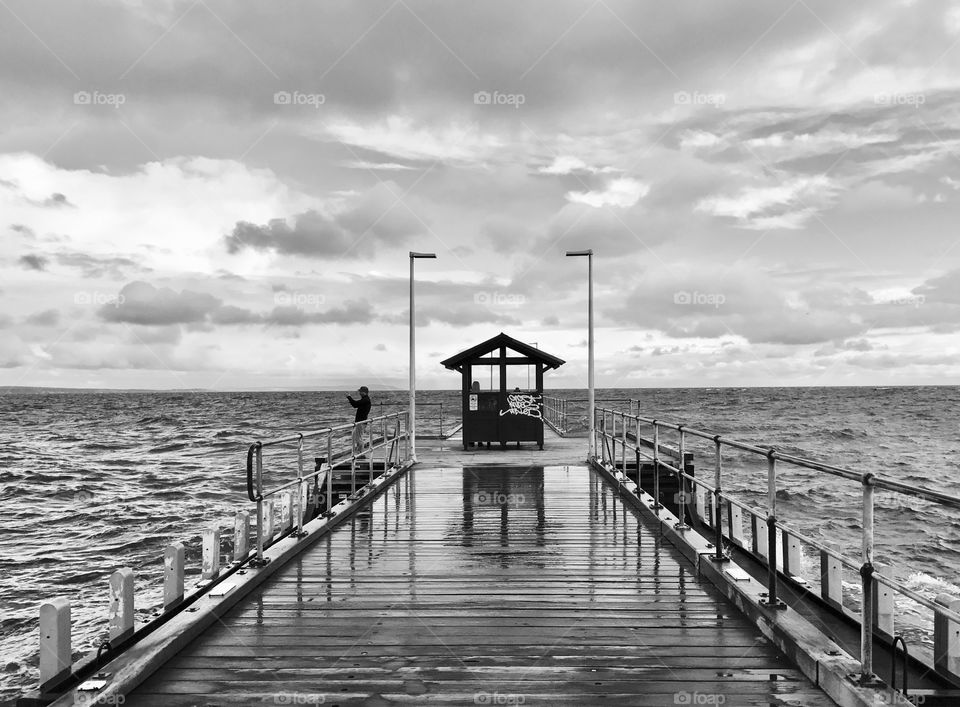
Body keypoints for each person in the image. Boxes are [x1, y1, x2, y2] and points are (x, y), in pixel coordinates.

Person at [346, 386, 372, 457]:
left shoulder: (365, 400)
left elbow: (355, 404)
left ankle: (361, 453)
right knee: (357, 437)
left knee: (358, 438)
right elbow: (355, 405)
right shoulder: (365, 400)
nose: (359, 393)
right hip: (361, 422)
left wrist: (349, 397)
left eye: (360, 392)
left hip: (361, 422)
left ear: (364, 392)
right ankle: (359, 452)